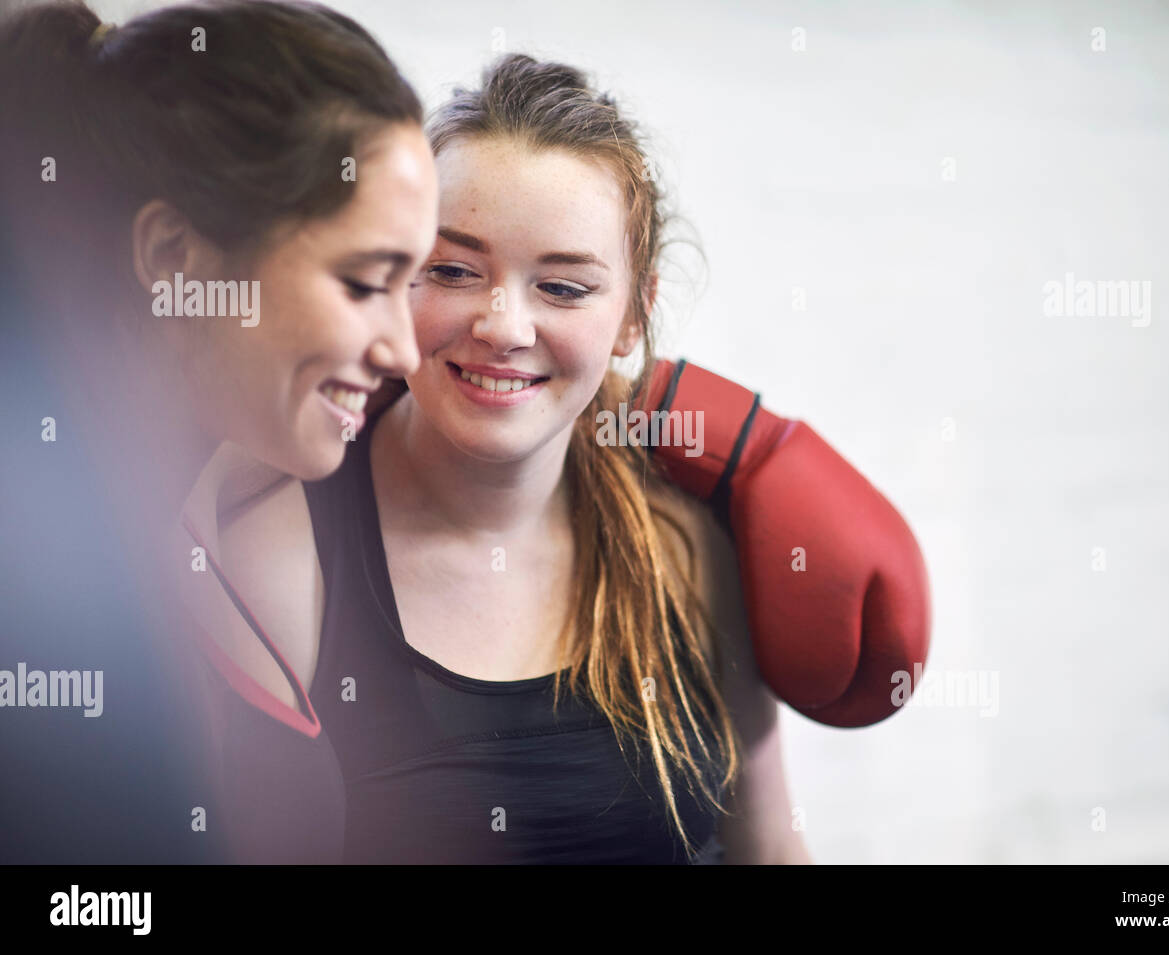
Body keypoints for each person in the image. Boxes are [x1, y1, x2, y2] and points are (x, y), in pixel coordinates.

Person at [218, 54, 812, 863]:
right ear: (397, 275)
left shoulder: (688, 545)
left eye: (563, 288)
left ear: (633, 320)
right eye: (455, 270)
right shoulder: (282, 548)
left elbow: (772, 849)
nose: (503, 325)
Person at [0, 0, 439, 862]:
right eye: (362, 282)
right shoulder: (39, 566)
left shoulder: (192, 486)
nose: (406, 351)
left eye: (414, 283)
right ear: (172, 257)